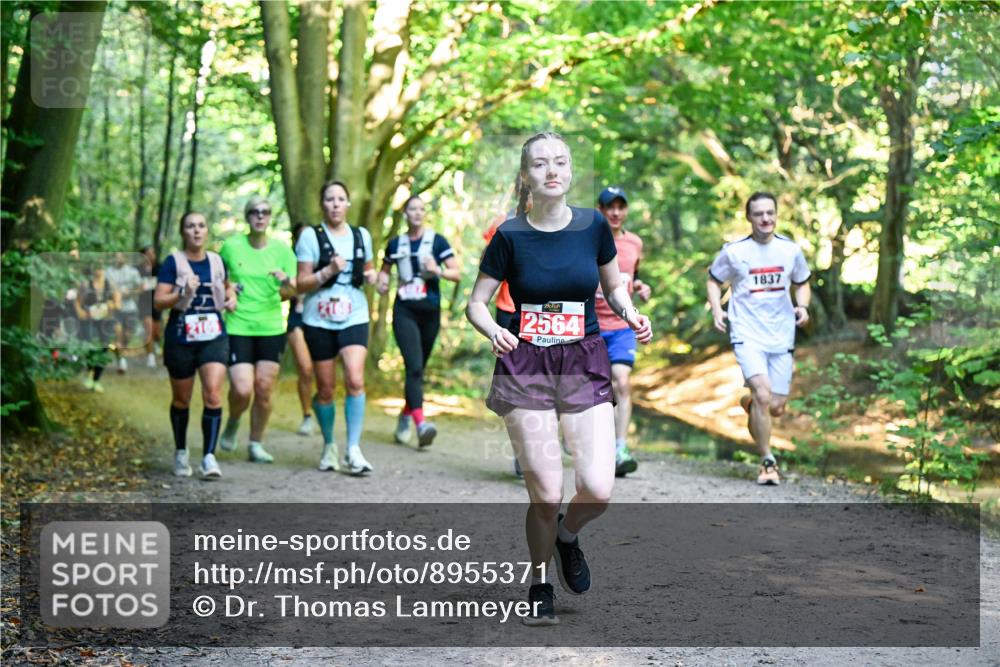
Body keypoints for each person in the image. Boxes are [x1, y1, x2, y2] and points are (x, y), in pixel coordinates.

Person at [466, 132, 652, 626]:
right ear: (526, 175)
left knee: (597, 487)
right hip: (526, 363)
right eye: (541, 163)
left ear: (570, 173)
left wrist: (630, 312)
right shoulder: (509, 235)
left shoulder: (593, 227)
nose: (552, 170)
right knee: (545, 492)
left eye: (561, 162)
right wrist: (492, 332)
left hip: (583, 360)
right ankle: (539, 579)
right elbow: (476, 303)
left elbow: (613, 286)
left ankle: (568, 536)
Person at [707, 191, 811, 486]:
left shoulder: (790, 251)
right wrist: (717, 309)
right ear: (749, 218)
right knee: (764, 394)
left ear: (777, 214)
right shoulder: (735, 251)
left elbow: (802, 283)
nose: (765, 218)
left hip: (781, 333)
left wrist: (802, 306)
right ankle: (768, 462)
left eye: (770, 213)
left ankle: (751, 405)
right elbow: (714, 280)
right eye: (758, 214)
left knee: (775, 406)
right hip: (746, 331)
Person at [295, 180, 377, 475]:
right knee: (326, 389)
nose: (336, 204)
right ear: (323, 204)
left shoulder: (361, 235)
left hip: (354, 314)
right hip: (318, 319)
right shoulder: (309, 237)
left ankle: (353, 449)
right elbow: (300, 283)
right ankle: (329, 444)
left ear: (348, 204)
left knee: (355, 379)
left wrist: (373, 277)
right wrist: (328, 270)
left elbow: (368, 268)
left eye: (341, 199)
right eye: (330, 199)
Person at [154, 212, 236, 478]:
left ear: (207, 231)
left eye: (201, 225)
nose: (197, 231)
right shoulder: (172, 262)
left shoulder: (217, 260)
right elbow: (158, 301)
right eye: (191, 226)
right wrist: (181, 292)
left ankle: (209, 457)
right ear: (183, 232)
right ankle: (181, 451)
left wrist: (231, 298)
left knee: (213, 393)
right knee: (182, 399)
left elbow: (228, 286)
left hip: (213, 334)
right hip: (181, 335)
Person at [217, 196, 298, 463]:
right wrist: (229, 291)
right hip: (239, 325)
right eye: (254, 212)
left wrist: (285, 281)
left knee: (263, 389)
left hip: (271, 327)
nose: (260, 216)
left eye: (265, 212)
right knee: (242, 389)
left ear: (270, 216)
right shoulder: (231, 247)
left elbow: (290, 293)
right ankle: (233, 420)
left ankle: (255, 443)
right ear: (247, 217)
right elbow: (220, 280)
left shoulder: (283, 251)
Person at [376, 195, 460, 447]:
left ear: (425, 213)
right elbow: (384, 273)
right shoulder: (394, 244)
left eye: (421, 209)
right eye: (412, 209)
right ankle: (421, 424)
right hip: (404, 311)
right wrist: (381, 282)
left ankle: (404, 415)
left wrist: (438, 271)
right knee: (413, 367)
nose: (417, 213)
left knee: (418, 370)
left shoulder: (437, 241)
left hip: (430, 312)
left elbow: (456, 273)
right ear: (405, 213)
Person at [594, 186, 652, 477]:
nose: (616, 212)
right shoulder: (587, 240)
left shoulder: (635, 244)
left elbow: (631, 275)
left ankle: (619, 448)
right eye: (609, 207)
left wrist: (640, 287)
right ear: (601, 210)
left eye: (620, 207)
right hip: (589, 326)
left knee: (621, 382)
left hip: (621, 326)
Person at [288, 224, 316, 437]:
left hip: (320, 317)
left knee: (322, 372)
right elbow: (281, 292)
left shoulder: (322, 258)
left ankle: (321, 405)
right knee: (305, 369)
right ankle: (307, 415)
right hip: (297, 319)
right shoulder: (289, 261)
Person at [74, 263, 120, 393]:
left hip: (105, 321)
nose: (98, 270)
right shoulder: (86, 284)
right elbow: (77, 301)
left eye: (100, 267)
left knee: (104, 348)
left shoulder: (110, 285)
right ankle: (88, 372)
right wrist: (80, 312)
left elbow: (118, 303)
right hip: (89, 321)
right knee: (91, 345)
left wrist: (112, 305)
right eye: (96, 267)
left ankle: (96, 380)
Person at [105, 252, 144, 373]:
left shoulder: (132, 271)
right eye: (116, 256)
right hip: (116, 308)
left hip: (130, 308)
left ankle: (118, 349)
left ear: (124, 258)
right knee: (118, 333)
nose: (118, 258)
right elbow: (103, 287)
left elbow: (141, 286)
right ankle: (121, 360)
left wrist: (130, 292)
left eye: (120, 256)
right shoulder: (108, 272)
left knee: (128, 334)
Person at [140, 245, 163, 369]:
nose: (151, 255)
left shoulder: (160, 267)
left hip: (156, 302)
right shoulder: (138, 269)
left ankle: (157, 342)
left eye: (152, 253)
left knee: (156, 332)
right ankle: (150, 356)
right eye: (148, 253)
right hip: (143, 303)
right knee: (148, 327)